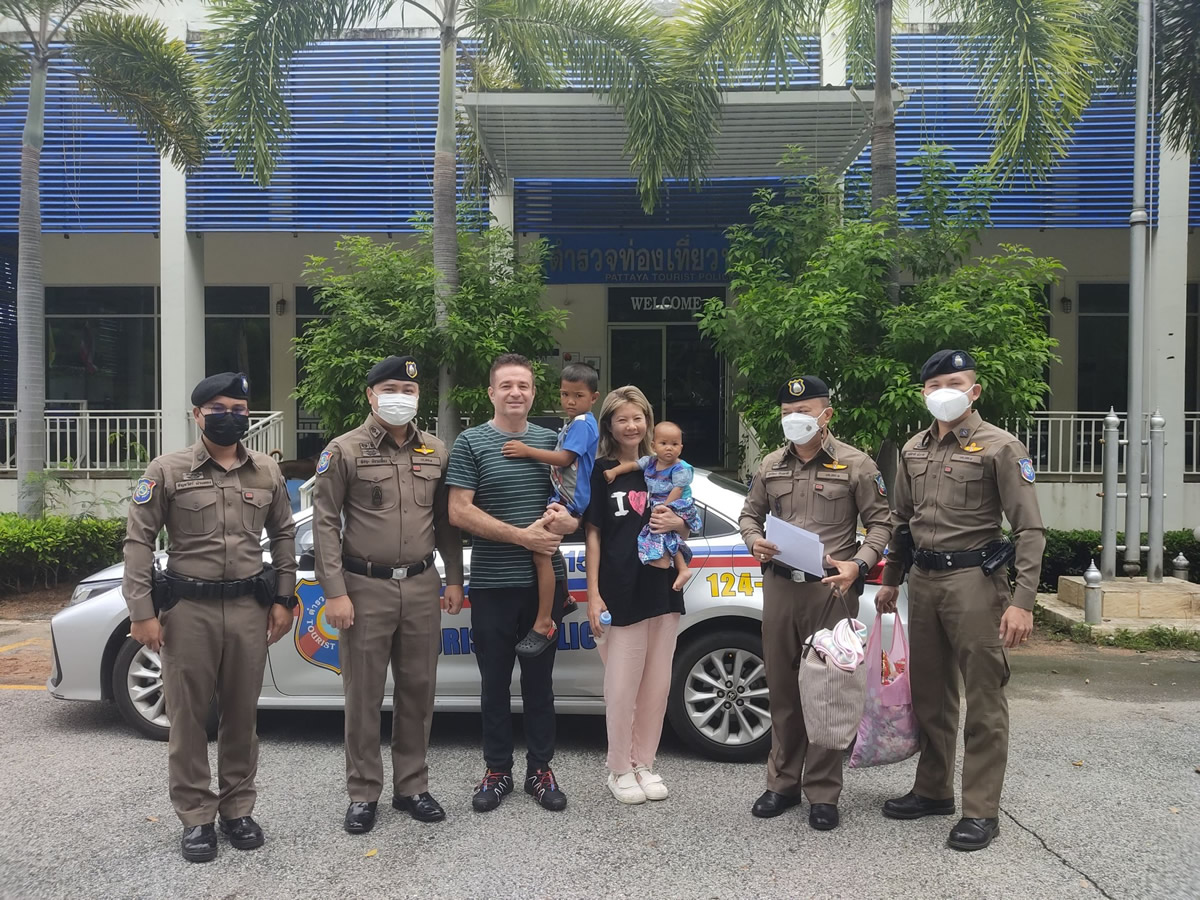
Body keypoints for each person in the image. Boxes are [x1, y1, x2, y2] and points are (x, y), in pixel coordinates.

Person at [122, 372, 297, 863]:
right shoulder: (167, 469)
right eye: (218, 409)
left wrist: (284, 599)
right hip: (188, 612)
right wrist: (141, 612)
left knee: (242, 716)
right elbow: (138, 541)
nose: (229, 417)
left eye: (239, 410)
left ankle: (237, 810)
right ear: (197, 415)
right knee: (188, 719)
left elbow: (284, 535)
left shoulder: (266, 470)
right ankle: (196, 817)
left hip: (247, 609)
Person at [875, 349, 1044, 852]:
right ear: (923, 393)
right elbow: (901, 521)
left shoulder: (1001, 447)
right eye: (934, 385)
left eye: (954, 383)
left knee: (984, 697)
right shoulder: (913, 448)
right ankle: (933, 790)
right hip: (923, 581)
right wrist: (891, 577)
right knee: (930, 693)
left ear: (974, 390)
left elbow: (1029, 528)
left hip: (975, 582)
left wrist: (1023, 601)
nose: (943, 392)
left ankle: (981, 810)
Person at [311, 355, 465, 835]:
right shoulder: (343, 450)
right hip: (364, 587)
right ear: (371, 395)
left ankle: (412, 786)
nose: (401, 397)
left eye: (409, 390)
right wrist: (334, 591)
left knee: (418, 689)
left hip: (421, 584)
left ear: (419, 397)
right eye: (391, 389)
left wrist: (454, 578)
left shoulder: (436, 450)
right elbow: (325, 523)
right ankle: (363, 792)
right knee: (363, 694)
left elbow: (445, 522)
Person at [738, 375, 891, 832]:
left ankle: (823, 792)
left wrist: (858, 565)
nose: (794, 420)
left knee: (827, 692)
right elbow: (749, 514)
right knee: (783, 689)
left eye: (803, 412)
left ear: (826, 415)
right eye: (787, 413)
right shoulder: (770, 464)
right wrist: (754, 540)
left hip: (831, 593)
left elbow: (882, 524)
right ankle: (782, 783)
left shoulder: (856, 464)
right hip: (781, 589)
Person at [446, 353, 580, 812]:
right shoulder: (471, 443)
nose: (515, 393)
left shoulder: (553, 443)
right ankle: (497, 771)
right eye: (506, 385)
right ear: (492, 392)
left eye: (523, 385)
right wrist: (522, 536)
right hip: (492, 584)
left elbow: (577, 505)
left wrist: (568, 523)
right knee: (494, 684)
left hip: (545, 588)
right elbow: (458, 511)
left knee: (540, 684)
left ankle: (540, 770)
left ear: (533, 393)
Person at [585, 387, 699, 804]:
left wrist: (676, 524)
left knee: (656, 686)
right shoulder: (601, 471)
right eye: (622, 419)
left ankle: (645, 764)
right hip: (619, 590)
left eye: (638, 418)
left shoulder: (667, 467)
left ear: (648, 422)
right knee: (621, 687)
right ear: (609, 425)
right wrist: (593, 594)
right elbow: (594, 535)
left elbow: (688, 523)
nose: (631, 426)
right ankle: (619, 768)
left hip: (662, 588)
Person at [501, 362, 600, 657]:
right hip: (562, 495)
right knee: (551, 547)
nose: (570, 401)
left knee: (540, 552)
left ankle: (544, 622)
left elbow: (565, 458)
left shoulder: (583, 424)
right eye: (565, 394)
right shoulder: (574, 422)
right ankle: (565, 597)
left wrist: (526, 451)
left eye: (578, 396)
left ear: (594, 398)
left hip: (569, 499)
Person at [602, 420, 695, 591]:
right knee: (665, 532)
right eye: (663, 443)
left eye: (674, 444)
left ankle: (677, 566)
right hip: (661, 504)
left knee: (663, 529)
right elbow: (632, 466)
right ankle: (680, 567)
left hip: (678, 504)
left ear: (681, 447)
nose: (669, 448)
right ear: (653, 445)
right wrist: (614, 472)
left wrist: (666, 508)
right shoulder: (650, 462)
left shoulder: (680, 468)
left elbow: (678, 489)